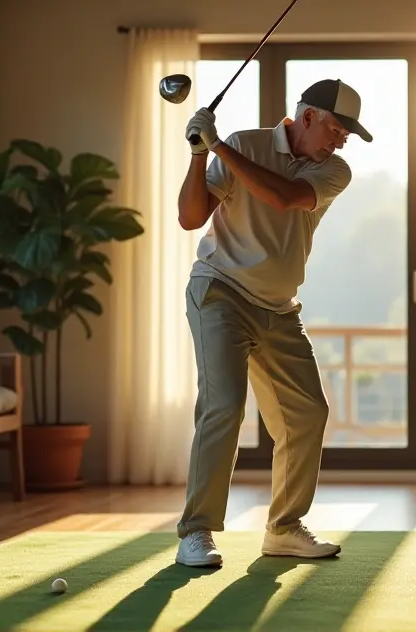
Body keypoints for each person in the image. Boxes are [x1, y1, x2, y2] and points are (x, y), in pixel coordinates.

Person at [174, 79, 372, 567]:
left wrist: (218, 145)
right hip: (219, 291)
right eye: (336, 127)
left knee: (308, 412)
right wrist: (201, 155)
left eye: (347, 132)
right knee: (224, 405)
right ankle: (196, 532)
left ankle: (284, 528)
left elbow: (284, 197)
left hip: (279, 307)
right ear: (306, 117)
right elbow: (189, 217)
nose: (342, 139)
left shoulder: (334, 170)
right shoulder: (246, 144)